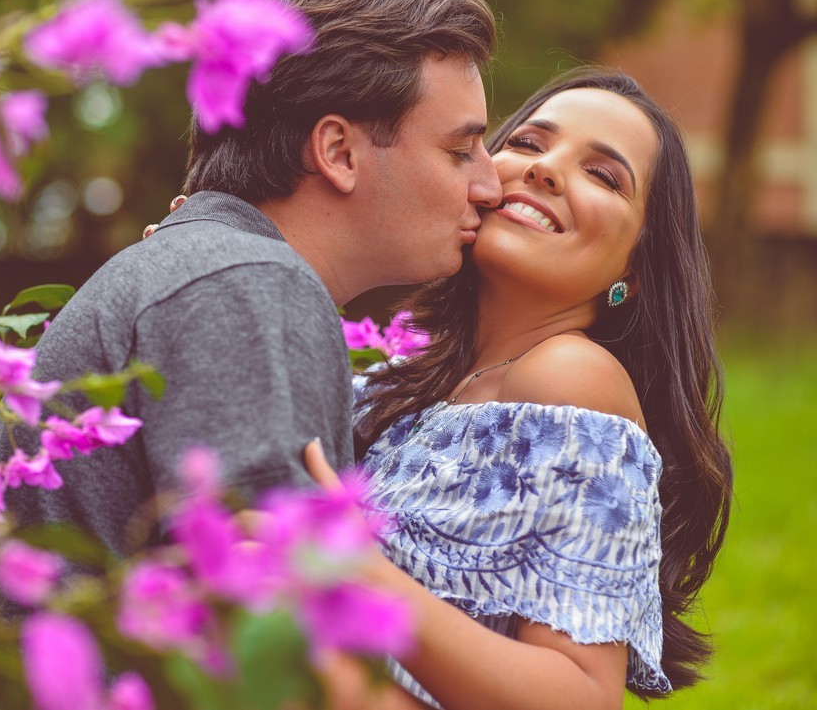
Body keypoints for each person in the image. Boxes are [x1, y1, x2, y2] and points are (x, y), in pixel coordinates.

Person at [0, 0, 501, 557]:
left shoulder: (212, 269)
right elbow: (264, 626)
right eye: (460, 150)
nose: (490, 186)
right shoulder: (250, 283)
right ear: (339, 152)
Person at [309, 67, 734, 709]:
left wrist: (361, 575)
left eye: (603, 175)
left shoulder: (568, 377)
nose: (545, 170)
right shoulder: (409, 376)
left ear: (636, 269)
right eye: (530, 144)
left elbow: (581, 696)